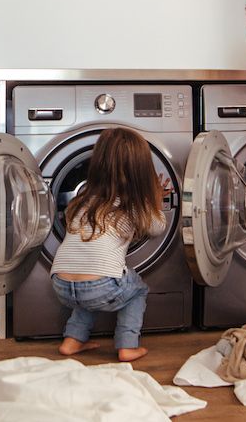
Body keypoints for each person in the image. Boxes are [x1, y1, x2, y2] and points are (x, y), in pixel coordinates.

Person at [49, 127, 169, 362]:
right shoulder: (134, 204)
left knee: (88, 279)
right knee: (137, 290)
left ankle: (72, 340)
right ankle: (127, 345)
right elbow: (158, 227)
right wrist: (155, 200)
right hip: (100, 287)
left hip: (60, 284)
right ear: (141, 171)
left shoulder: (83, 200)